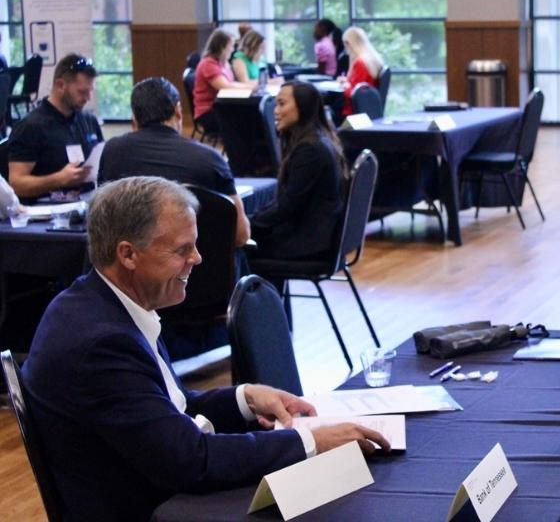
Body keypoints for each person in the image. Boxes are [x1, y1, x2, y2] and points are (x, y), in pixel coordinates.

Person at [22, 176, 390, 521]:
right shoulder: (102, 343)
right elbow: (190, 460)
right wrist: (309, 441)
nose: (197, 258)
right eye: (182, 249)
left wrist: (247, 398)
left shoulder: (100, 303)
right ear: (128, 254)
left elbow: (169, 410)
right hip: (155, 509)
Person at [99, 77, 251, 247]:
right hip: (200, 268)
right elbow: (240, 235)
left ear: (134, 120)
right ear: (178, 111)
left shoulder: (113, 151)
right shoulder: (209, 159)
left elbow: (104, 217)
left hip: (134, 267)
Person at [251, 81, 346, 259]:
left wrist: (247, 224)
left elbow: (287, 207)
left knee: (235, 245)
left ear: (303, 107)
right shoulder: (319, 139)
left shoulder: (310, 150)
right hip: (317, 238)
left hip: (308, 244)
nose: (275, 111)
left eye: (282, 104)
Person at [8, 53, 103, 201]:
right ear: (60, 85)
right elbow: (16, 183)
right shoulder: (31, 126)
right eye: (82, 92)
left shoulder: (89, 120)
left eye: (90, 91)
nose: (88, 98)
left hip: (86, 204)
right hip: (46, 212)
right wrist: (58, 179)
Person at [192, 29, 256, 135]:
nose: (232, 49)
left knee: (251, 115)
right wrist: (250, 87)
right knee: (248, 119)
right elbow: (225, 87)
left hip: (222, 107)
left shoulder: (223, 63)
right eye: (230, 46)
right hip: (208, 112)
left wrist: (249, 85)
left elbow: (231, 84)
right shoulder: (208, 64)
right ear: (222, 48)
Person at [339, 26, 384, 118]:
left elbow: (354, 94)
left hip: (355, 113)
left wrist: (344, 85)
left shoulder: (360, 62)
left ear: (350, 44)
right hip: (369, 109)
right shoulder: (374, 59)